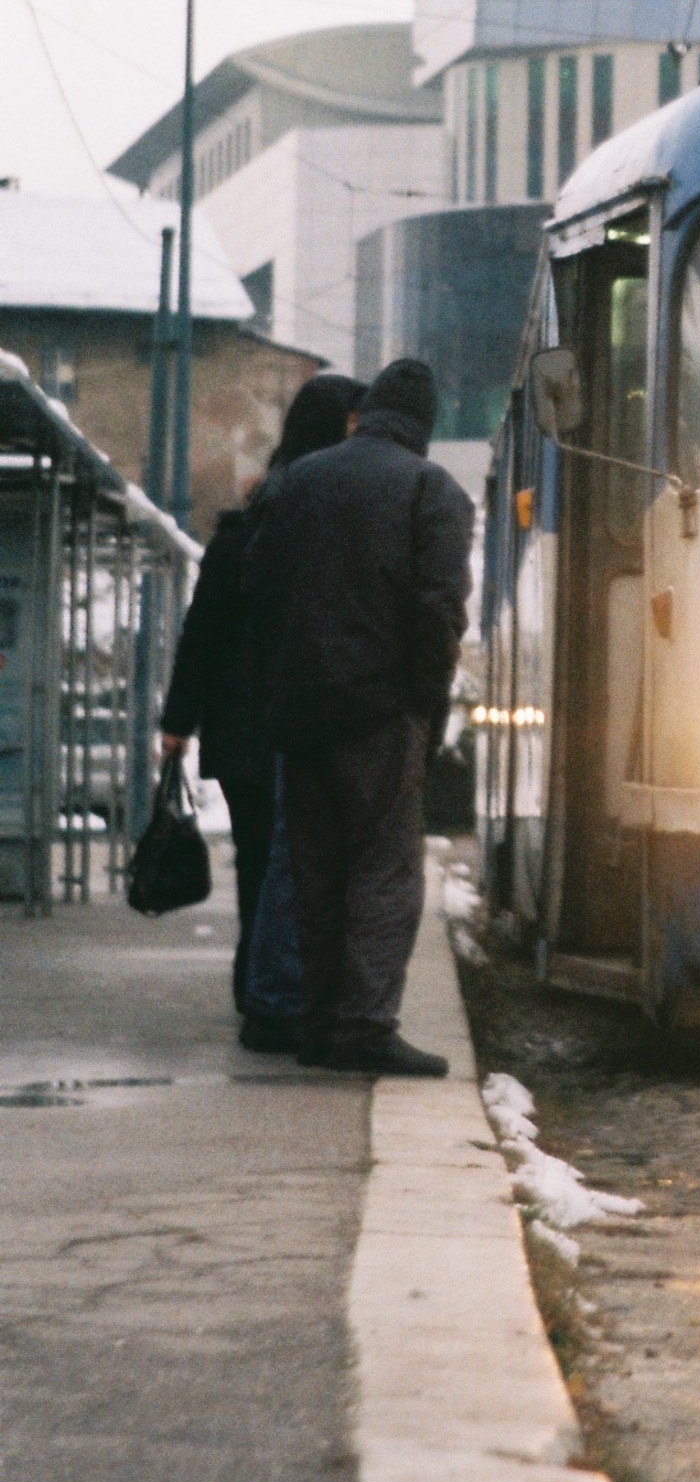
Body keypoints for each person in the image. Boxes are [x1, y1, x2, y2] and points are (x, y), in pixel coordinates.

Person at [247, 355, 473, 1075]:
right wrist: (423, 708)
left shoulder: (301, 478)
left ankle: (316, 1026)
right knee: (383, 872)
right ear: (424, 424)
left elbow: (259, 589)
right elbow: (439, 615)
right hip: (379, 712)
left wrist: (286, 677)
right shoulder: (430, 491)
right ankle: (365, 1030)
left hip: (301, 711)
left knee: (314, 873)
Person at [158, 371, 364, 1021]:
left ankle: (261, 984)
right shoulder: (297, 524)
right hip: (270, 722)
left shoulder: (249, 524)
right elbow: (206, 632)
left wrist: (180, 720)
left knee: (264, 862)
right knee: (285, 860)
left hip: (252, 722)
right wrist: (177, 720)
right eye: (353, 424)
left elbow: (202, 632)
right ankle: (270, 987)